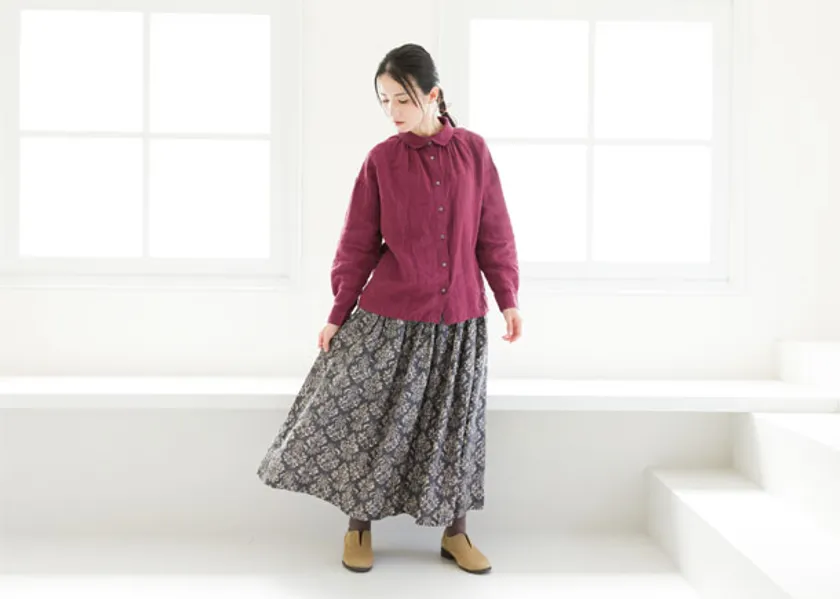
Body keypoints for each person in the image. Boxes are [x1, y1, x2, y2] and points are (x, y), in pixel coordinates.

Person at [256, 42, 522, 575]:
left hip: (459, 321)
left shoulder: (474, 152)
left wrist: (507, 299)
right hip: (390, 321)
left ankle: (456, 534)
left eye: (402, 99)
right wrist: (338, 312)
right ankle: (358, 528)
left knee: (455, 428)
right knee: (372, 422)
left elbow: (494, 232)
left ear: (433, 94)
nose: (393, 111)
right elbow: (357, 244)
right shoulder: (381, 161)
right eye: (384, 101)